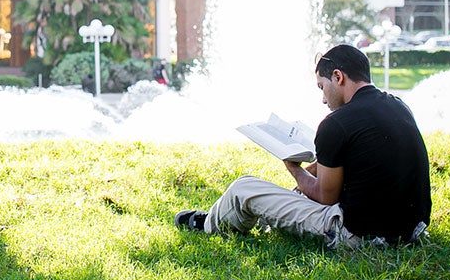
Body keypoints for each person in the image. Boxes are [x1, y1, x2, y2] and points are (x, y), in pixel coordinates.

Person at [175, 44, 431, 248]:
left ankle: (210, 223)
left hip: (359, 236)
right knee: (297, 194)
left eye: (322, 87)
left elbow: (325, 196)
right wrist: (308, 175)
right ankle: (262, 219)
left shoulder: (336, 123)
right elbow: (360, 158)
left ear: (338, 77)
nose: (322, 99)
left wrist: (293, 167)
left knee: (244, 187)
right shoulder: (397, 105)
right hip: (411, 230)